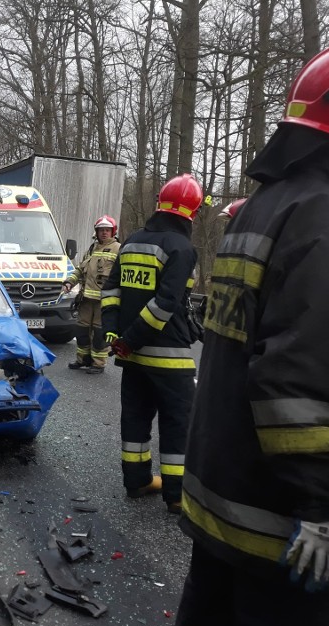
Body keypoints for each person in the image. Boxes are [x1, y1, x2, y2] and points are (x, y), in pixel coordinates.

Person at [173, 36, 329, 626]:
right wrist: (318, 508)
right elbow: (301, 377)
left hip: (222, 502)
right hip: (282, 529)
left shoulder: (265, 206)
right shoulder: (325, 218)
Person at [101, 173, 201, 514]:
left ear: (159, 203)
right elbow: (165, 303)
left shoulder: (130, 242)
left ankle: (137, 481)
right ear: (192, 213)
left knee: (135, 418)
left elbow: (111, 291)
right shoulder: (181, 248)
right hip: (169, 359)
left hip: (133, 357)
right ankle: (176, 495)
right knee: (177, 424)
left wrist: (114, 334)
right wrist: (128, 340)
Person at [62, 215, 121, 373]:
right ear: (97, 231)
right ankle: (83, 359)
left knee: (99, 334)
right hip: (86, 299)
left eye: (107, 230)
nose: (104, 233)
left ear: (112, 231)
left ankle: (98, 363)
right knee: (81, 331)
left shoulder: (118, 249)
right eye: (101, 230)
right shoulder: (92, 249)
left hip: (105, 301)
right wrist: (69, 282)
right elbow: (81, 269)